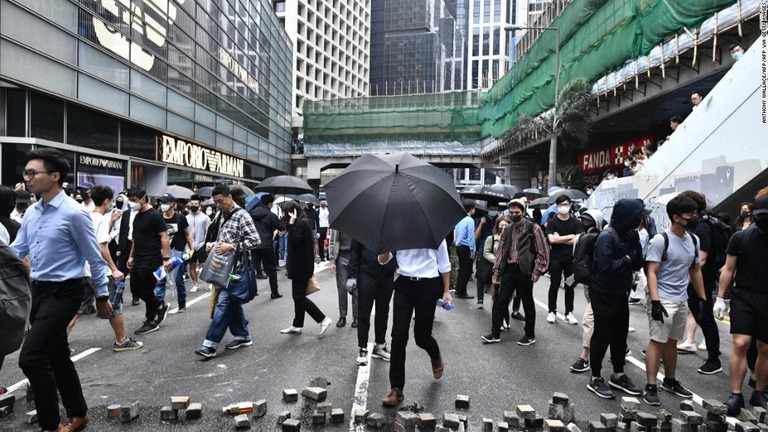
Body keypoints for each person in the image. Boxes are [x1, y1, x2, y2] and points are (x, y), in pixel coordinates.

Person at [10, 148, 113, 432]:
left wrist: (103, 296)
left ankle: (50, 425)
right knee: (57, 355)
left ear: (54, 176)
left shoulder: (75, 214)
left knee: (31, 357)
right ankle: (79, 414)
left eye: (33, 173)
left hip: (66, 292)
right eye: (26, 173)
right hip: (38, 292)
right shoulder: (32, 211)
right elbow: (18, 249)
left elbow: (94, 258)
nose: (27, 179)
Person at [642, 195, 708, 406]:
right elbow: (651, 271)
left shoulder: (694, 240)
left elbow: (695, 269)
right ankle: (651, 385)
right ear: (676, 217)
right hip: (662, 298)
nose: (695, 217)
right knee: (657, 341)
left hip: (681, 298)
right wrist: (655, 302)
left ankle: (669, 380)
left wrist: (703, 298)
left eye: (695, 212)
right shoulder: (661, 240)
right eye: (691, 214)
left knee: (672, 342)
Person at [66, 185, 143, 352]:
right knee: (114, 305)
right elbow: (101, 247)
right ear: (107, 201)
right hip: (99, 270)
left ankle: (59, 342)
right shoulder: (100, 220)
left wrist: (112, 221)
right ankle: (121, 340)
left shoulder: (85, 216)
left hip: (83, 269)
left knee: (79, 308)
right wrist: (114, 269)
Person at [378, 239, 452, 407]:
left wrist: (446, 291)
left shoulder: (434, 231)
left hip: (428, 285)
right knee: (398, 336)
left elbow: (444, 263)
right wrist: (385, 244)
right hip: (404, 284)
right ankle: (396, 388)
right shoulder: (397, 230)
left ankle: (435, 356)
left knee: (422, 337)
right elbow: (383, 260)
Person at [585, 201, 645, 399]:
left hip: (621, 293)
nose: (640, 220)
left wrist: (635, 244)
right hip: (603, 293)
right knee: (602, 336)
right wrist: (628, 256)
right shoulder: (606, 237)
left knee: (620, 336)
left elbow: (638, 264)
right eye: (638, 216)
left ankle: (618, 375)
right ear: (628, 216)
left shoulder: (629, 235)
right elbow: (606, 267)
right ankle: (595, 378)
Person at [194, 185, 261, 358]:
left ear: (229, 197)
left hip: (236, 269)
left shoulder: (242, 215)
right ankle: (242, 335)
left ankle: (209, 344)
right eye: (216, 202)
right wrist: (213, 245)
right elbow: (222, 238)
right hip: (223, 267)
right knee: (233, 302)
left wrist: (232, 246)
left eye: (221, 201)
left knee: (223, 302)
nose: (218, 205)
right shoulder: (220, 215)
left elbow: (255, 241)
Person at [716, 193, 768, 415]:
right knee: (740, 343)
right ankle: (735, 394)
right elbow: (728, 269)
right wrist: (720, 297)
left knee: (765, 347)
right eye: (760, 216)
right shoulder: (741, 237)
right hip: (744, 295)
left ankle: (759, 391)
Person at [483, 199, 549, 345]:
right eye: (511, 212)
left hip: (525, 271)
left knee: (527, 303)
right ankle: (495, 333)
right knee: (501, 301)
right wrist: (497, 271)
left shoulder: (534, 228)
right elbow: (500, 251)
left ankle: (530, 335)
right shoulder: (507, 229)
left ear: (523, 212)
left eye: (517, 213)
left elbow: (542, 251)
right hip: (509, 270)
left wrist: (538, 271)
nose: (514, 215)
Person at [673, 191, 723, 375]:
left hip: (700, 280)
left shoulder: (702, 227)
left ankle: (714, 359)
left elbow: (701, 260)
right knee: (694, 315)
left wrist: (684, 278)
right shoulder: (701, 226)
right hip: (694, 280)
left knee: (705, 318)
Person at [280, 200, 333, 336]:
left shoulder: (301, 223)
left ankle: (323, 319)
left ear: (292, 212)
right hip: (300, 266)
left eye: (286, 213)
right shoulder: (301, 223)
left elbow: (295, 240)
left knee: (298, 297)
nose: (284, 215)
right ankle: (297, 324)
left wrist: (291, 224)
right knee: (298, 296)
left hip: (301, 267)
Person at [126, 187, 173, 335]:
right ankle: (160, 305)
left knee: (146, 289)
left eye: (134, 201)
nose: (131, 204)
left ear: (142, 199)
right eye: (130, 201)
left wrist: (166, 259)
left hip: (152, 258)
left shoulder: (154, 216)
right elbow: (135, 238)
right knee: (135, 289)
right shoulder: (137, 216)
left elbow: (164, 237)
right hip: (139, 258)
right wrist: (131, 256)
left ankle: (151, 321)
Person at [348, 238, 396, 366]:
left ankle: (380, 345)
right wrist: (351, 276)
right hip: (366, 274)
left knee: (383, 311)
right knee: (364, 312)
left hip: (387, 275)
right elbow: (355, 251)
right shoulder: (363, 225)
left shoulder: (393, 226)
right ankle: (362, 348)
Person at [568, 209, 604, 373]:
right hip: (588, 283)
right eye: (583, 221)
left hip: (602, 285)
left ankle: (585, 357)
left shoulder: (603, 239)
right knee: (601, 319)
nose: (585, 224)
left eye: (589, 221)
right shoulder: (582, 238)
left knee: (589, 320)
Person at [546, 194, 583, 325]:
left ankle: (569, 312)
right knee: (554, 285)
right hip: (555, 258)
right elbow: (551, 240)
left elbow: (577, 241)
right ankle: (551, 311)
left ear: (570, 205)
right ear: (557, 206)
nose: (563, 207)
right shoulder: (552, 222)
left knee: (570, 285)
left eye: (566, 204)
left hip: (571, 259)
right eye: (561, 205)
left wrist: (559, 238)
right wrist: (570, 237)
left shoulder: (576, 222)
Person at [155, 193, 194, 312]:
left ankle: (182, 303)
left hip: (178, 253)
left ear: (172, 204)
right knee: (160, 279)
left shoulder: (180, 218)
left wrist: (191, 248)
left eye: (165, 202)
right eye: (161, 202)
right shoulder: (158, 218)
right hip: (162, 253)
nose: (162, 205)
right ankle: (160, 304)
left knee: (178, 280)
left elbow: (187, 234)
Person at [249, 194, 284, 299]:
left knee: (253, 269)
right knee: (271, 269)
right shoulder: (270, 215)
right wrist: (282, 218)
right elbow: (281, 227)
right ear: (270, 203)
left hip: (254, 244)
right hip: (266, 245)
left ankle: (252, 291)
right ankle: (274, 292)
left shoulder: (251, 213)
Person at [482, 216, 511, 330]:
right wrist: (496, 260)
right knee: (496, 296)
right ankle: (497, 319)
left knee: (508, 297)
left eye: (506, 225)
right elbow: (486, 252)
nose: (503, 227)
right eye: (501, 225)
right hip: (496, 271)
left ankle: (503, 315)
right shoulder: (492, 238)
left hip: (509, 271)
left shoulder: (513, 238)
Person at [329, 228, 358, 327]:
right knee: (342, 288)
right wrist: (332, 261)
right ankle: (342, 316)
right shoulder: (338, 221)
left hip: (355, 257)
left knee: (355, 288)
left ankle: (356, 316)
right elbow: (332, 241)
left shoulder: (357, 220)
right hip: (341, 256)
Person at [474, 201, 499, 308]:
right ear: (487, 208)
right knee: (481, 275)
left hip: (496, 251)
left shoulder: (500, 220)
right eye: (491, 209)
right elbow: (476, 236)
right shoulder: (481, 219)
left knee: (495, 275)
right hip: (482, 249)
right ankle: (480, 299)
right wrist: (481, 224)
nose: (493, 211)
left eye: (495, 209)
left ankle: (495, 299)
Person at [187, 195, 211, 293]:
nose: (193, 205)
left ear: (199, 205)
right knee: (192, 265)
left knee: (204, 265)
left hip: (202, 245)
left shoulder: (205, 218)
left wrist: (206, 244)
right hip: (190, 247)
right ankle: (195, 284)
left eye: (195, 204)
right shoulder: (186, 218)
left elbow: (209, 232)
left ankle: (208, 283)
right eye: (192, 204)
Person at [453, 201, 476, 299]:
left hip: (459, 246)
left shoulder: (459, 219)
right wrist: (472, 250)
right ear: (471, 209)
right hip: (466, 247)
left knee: (462, 269)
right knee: (466, 270)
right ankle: (461, 291)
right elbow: (471, 236)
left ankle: (459, 289)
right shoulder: (470, 220)